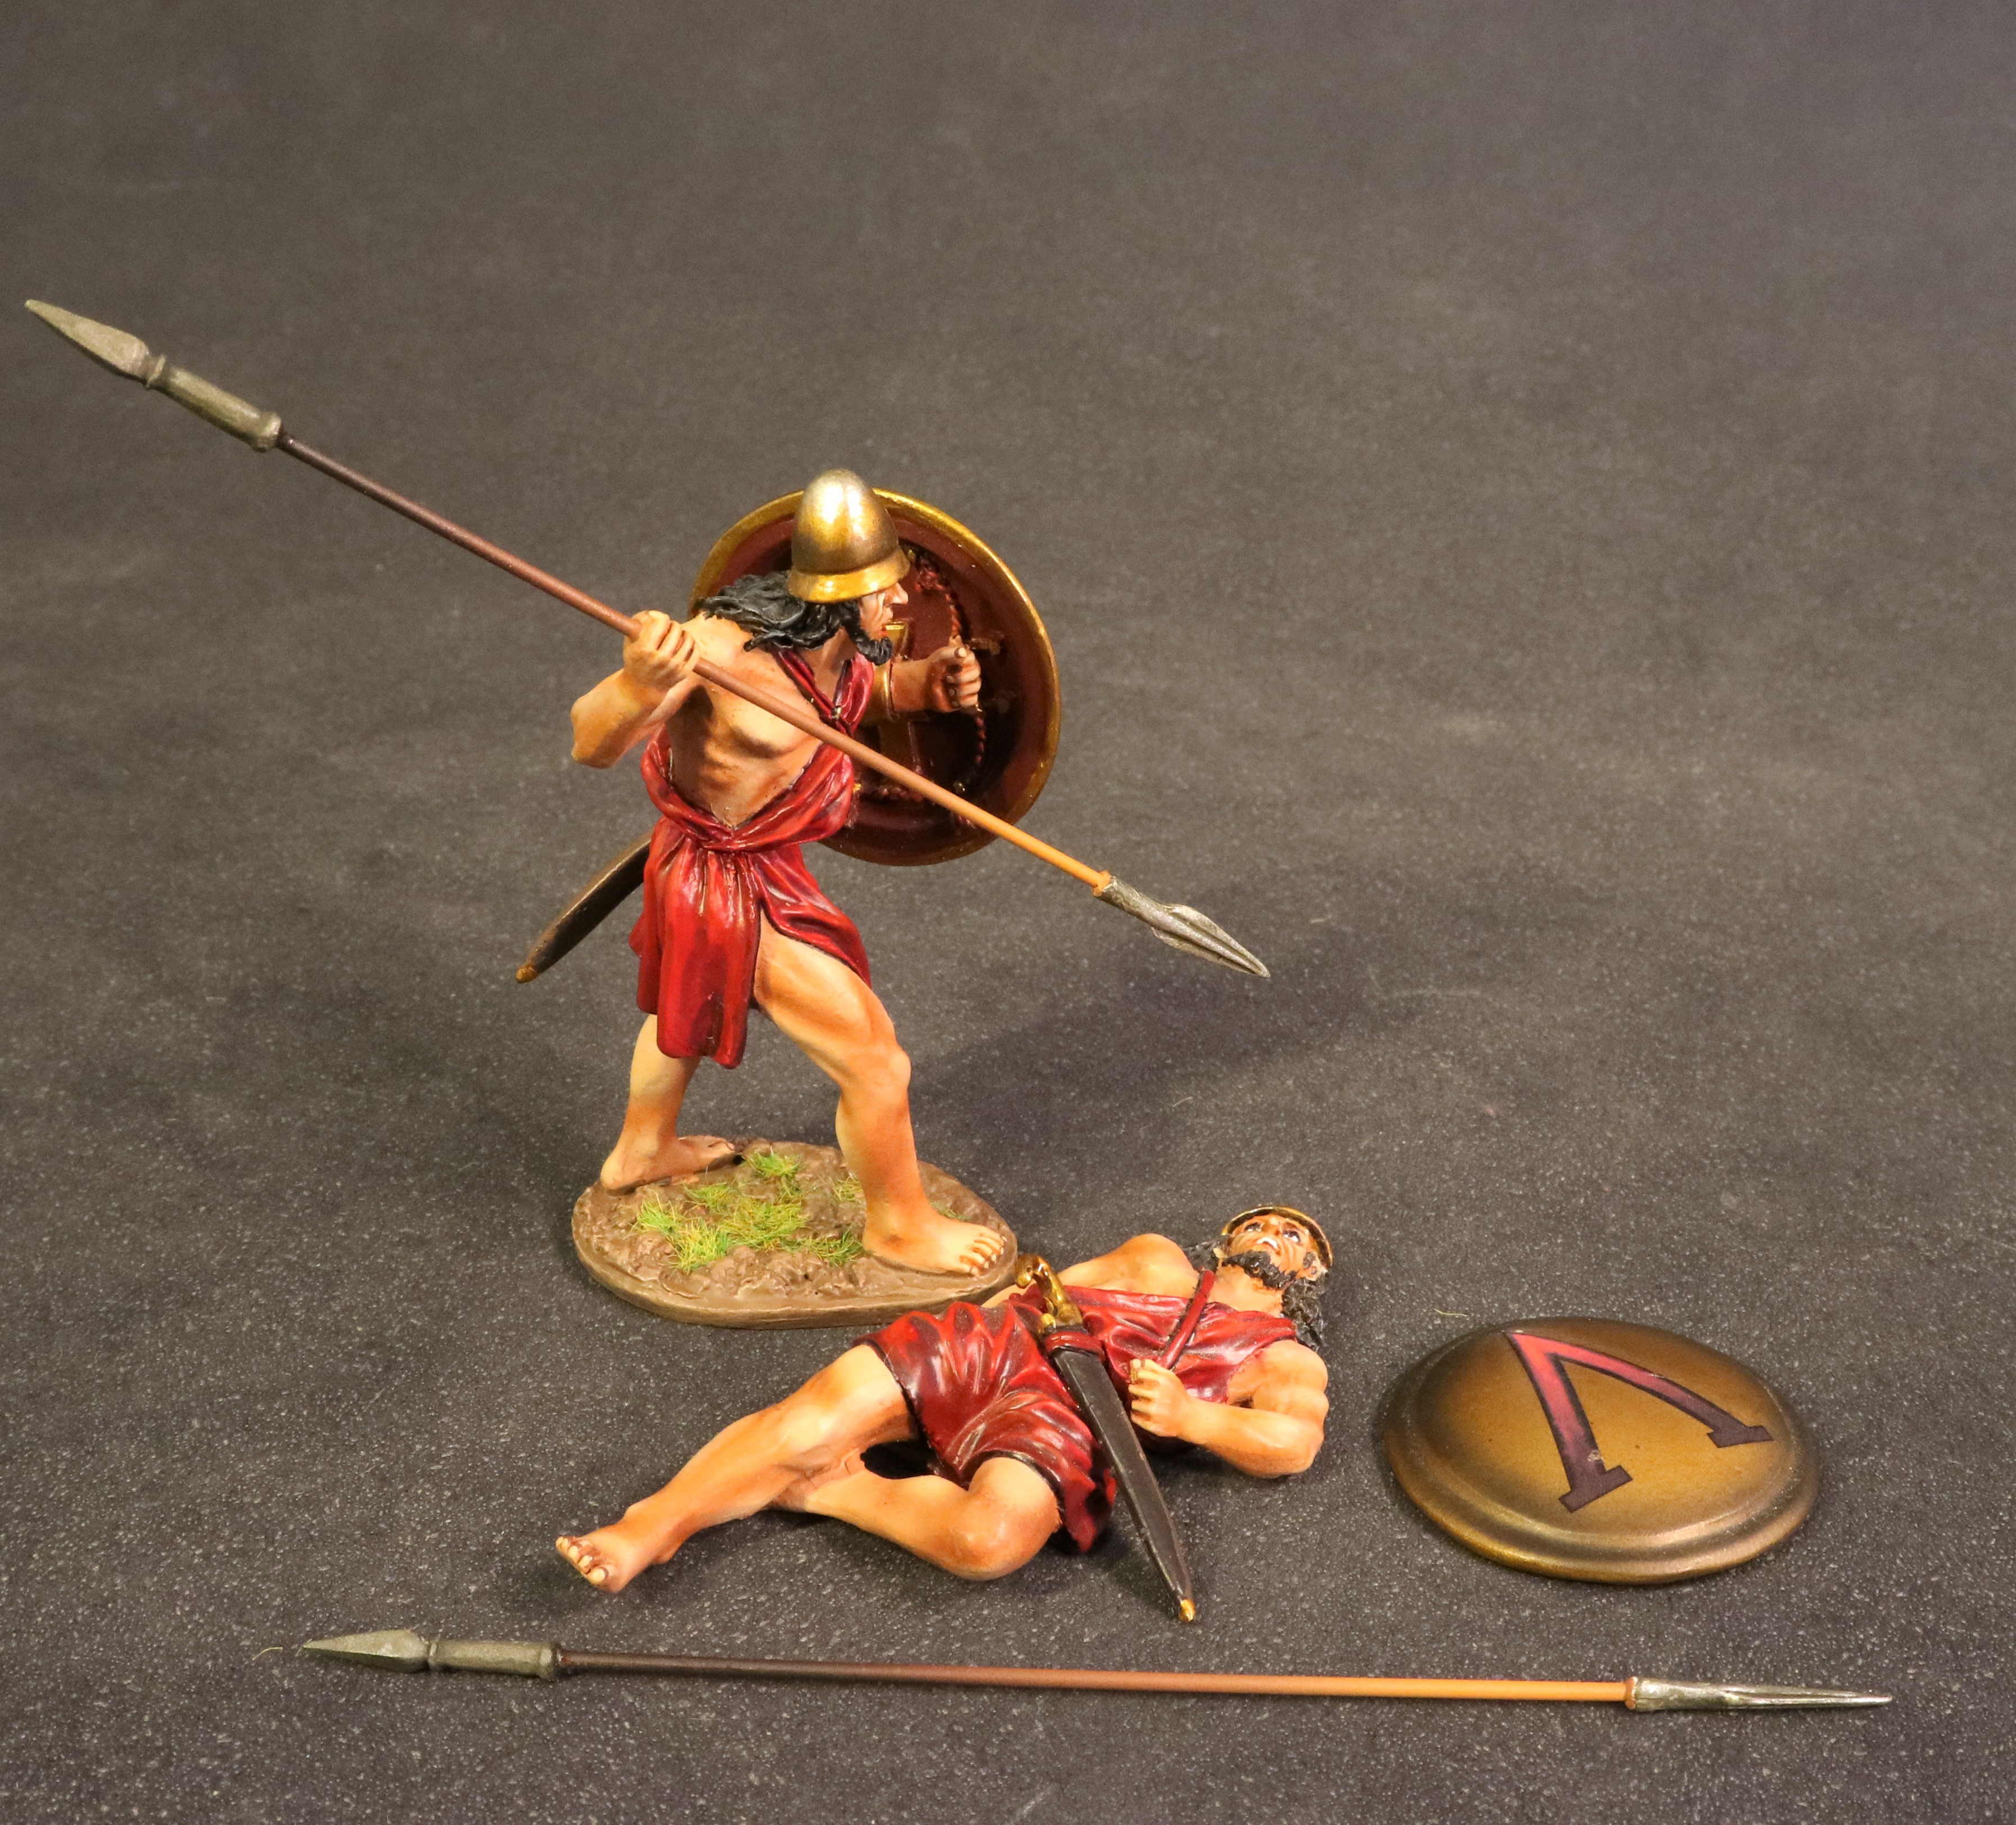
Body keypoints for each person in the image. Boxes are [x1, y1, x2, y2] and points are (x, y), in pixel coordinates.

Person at [569, 470, 1002, 1277]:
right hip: (720, 879)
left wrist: (928, 686)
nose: (897, 601)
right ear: (835, 596)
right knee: (874, 1062)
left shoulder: (842, 649)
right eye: (882, 590)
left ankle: (641, 1149)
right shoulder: (714, 651)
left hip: (767, 864)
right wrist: (636, 683)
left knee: (684, 1006)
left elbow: (856, 701)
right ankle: (898, 1227)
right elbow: (590, 741)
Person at [556, 1207, 1332, 1591]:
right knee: (807, 1423)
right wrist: (975, 1328)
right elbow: (1040, 1288)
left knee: (988, 1539)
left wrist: (1196, 1417)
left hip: (1062, 1422)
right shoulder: (1154, 1258)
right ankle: (651, 1525)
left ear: (1309, 1276)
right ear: (1228, 1237)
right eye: (1262, 1224)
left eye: (1297, 1240)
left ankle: (831, 1488)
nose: (1276, 1235)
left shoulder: (1282, 1358)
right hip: (993, 1347)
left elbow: (1292, 1445)